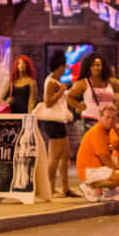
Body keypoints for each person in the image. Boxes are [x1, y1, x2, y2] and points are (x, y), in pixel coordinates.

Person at [34, 55, 74, 197]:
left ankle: (65, 187)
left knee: (65, 155)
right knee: (54, 156)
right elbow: (48, 102)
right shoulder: (51, 82)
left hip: (60, 121)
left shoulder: (56, 81)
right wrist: (61, 91)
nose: (66, 69)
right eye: (64, 66)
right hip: (53, 122)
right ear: (60, 67)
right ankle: (49, 188)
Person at [66, 53, 117, 154]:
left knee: (110, 150)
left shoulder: (110, 82)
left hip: (109, 122)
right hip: (91, 121)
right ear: (88, 67)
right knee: (95, 151)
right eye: (93, 65)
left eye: (98, 65)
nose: (96, 68)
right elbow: (69, 97)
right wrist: (79, 105)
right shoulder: (83, 83)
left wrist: (116, 104)